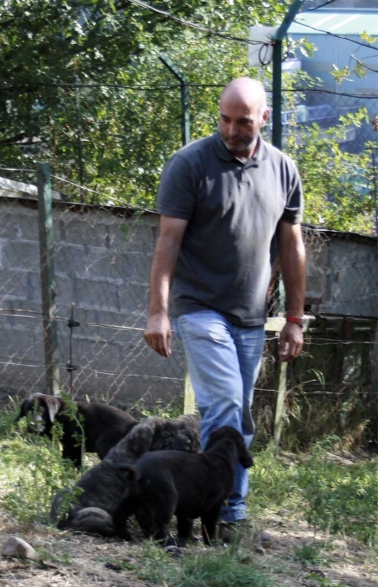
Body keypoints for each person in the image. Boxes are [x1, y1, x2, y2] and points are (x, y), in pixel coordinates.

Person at [144, 77, 306, 544]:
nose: (232, 130)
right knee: (226, 405)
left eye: (243, 121)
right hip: (199, 310)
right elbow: (167, 241)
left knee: (243, 418)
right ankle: (228, 513)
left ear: (264, 119)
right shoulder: (190, 164)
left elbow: (292, 247)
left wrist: (294, 319)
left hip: (251, 316)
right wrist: (159, 311)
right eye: (225, 119)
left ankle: (213, 505)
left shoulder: (282, 169)